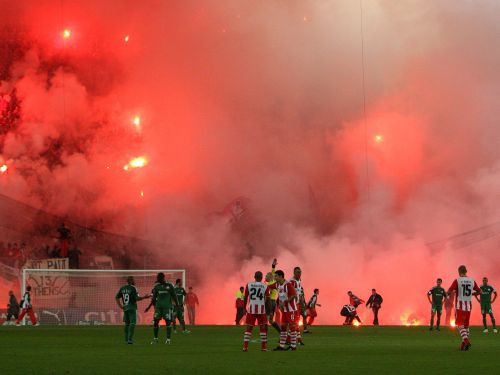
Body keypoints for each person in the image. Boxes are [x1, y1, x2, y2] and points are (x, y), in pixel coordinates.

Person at [447, 265, 481, 351]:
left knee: (459, 325)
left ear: (459, 272)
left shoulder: (457, 280)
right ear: (466, 271)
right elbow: (479, 291)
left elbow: (449, 291)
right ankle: (463, 345)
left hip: (460, 306)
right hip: (469, 307)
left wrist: (446, 295)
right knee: (466, 326)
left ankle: (466, 341)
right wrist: (472, 294)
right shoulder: (472, 280)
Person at [145, 272, 179, 344]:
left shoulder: (169, 286)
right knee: (155, 322)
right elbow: (153, 298)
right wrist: (148, 307)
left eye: (158, 278)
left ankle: (168, 339)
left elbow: (174, 296)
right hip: (158, 308)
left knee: (168, 322)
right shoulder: (157, 287)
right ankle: (155, 339)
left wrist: (178, 304)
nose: (157, 280)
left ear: (163, 278)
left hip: (167, 307)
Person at [115, 276, 150, 344]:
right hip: (132, 307)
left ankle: (126, 340)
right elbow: (137, 298)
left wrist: (120, 306)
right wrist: (144, 297)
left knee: (127, 324)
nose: (134, 281)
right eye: (133, 280)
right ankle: (130, 340)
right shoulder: (133, 288)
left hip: (125, 307)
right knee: (132, 323)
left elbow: (116, 297)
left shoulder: (122, 288)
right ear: (131, 281)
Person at [242, 271, 271, 352]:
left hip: (251, 309)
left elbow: (245, 297)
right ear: (261, 278)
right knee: (262, 328)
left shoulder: (249, 285)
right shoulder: (265, 286)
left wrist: (244, 308)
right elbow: (268, 299)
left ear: (254, 277)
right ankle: (264, 348)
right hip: (261, 310)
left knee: (249, 327)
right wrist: (269, 310)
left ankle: (245, 347)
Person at [273, 270, 298, 351]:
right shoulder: (277, 284)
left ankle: (293, 346)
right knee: (283, 327)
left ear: (280, 276)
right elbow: (269, 286)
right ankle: (281, 346)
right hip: (284, 310)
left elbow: (294, 295)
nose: (274, 277)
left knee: (292, 327)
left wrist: (285, 302)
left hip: (291, 310)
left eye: (276, 276)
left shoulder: (288, 285)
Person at [289, 266, 307, 340]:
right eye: (297, 272)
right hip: (292, 305)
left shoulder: (299, 280)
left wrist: (302, 300)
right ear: (294, 273)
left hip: (298, 304)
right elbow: (289, 292)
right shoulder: (291, 281)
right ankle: (289, 339)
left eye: (300, 272)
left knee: (296, 321)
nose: (299, 274)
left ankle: (297, 338)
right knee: (293, 322)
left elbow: (299, 293)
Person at [265, 258, 281, 333]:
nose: (265, 276)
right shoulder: (269, 282)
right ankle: (281, 332)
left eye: (267, 275)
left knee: (266, 319)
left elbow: (273, 271)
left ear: (270, 277)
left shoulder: (272, 281)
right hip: (273, 302)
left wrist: (273, 265)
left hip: (270, 302)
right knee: (270, 320)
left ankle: (264, 336)